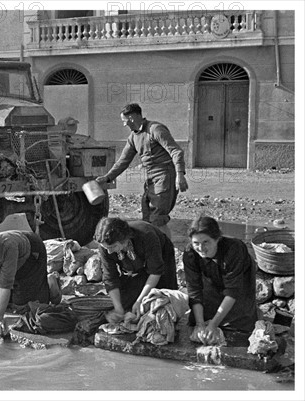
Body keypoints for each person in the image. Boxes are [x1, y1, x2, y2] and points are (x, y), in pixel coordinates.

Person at [96, 103, 188, 239]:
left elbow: (176, 151)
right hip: (150, 177)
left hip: (165, 175)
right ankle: (155, 247)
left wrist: (180, 175)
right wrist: (107, 177)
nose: (124, 125)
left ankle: (165, 250)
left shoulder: (155, 129)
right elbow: (123, 161)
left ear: (132, 118)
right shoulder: (133, 137)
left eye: (124, 121)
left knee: (158, 217)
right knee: (147, 216)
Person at [182, 216, 258, 345]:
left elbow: (233, 291)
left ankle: (255, 312)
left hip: (239, 282)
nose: (201, 248)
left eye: (206, 242)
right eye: (196, 243)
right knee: (197, 321)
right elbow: (194, 289)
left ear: (217, 239)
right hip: (211, 279)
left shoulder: (234, 248)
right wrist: (200, 324)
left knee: (239, 324)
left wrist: (213, 324)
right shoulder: (190, 253)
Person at [94, 217, 178, 323]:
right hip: (134, 260)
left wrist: (139, 301)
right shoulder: (106, 246)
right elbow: (110, 277)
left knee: (163, 298)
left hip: (162, 253)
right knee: (126, 302)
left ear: (124, 240)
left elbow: (155, 272)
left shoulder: (147, 236)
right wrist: (118, 308)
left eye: (113, 247)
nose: (109, 252)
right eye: (106, 248)